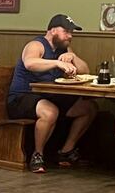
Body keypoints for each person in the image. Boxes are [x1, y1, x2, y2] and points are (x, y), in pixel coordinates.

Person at [7, 14, 98, 173]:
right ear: (53, 30)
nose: (70, 36)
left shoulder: (64, 48)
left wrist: (73, 57)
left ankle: (66, 151)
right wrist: (57, 63)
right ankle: (37, 155)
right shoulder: (36, 45)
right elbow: (30, 63)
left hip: (49, 96)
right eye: (66, 31)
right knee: (50, 111)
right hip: (22, 97)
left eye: (71, 32)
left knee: (88, 108)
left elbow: (85, 70)